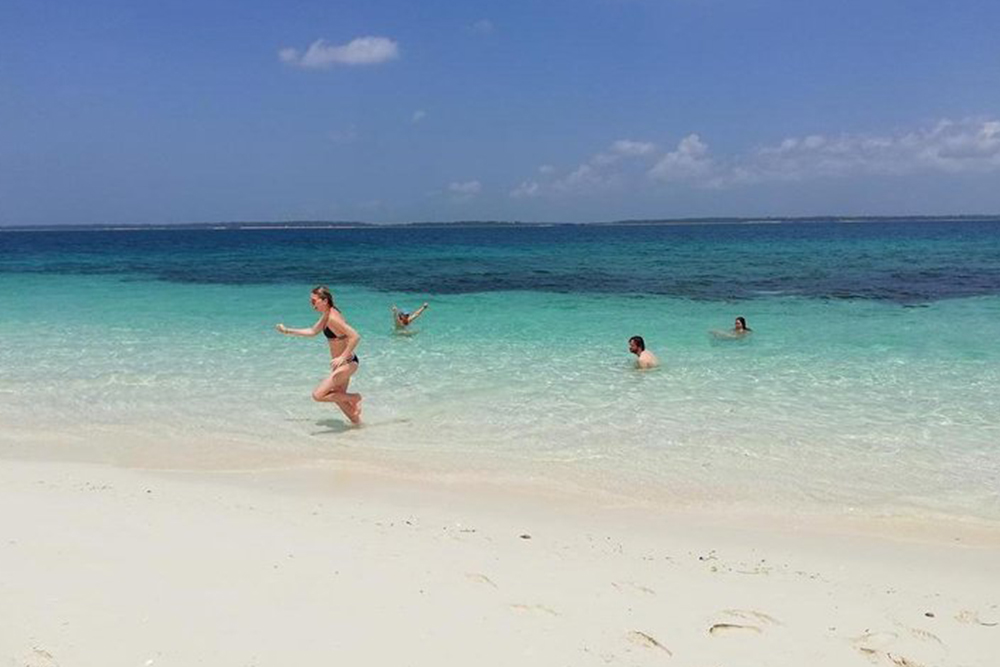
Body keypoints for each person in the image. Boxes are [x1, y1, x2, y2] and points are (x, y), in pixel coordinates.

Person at [276, 286, 363, 425]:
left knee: (318, 395)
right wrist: (287, 331)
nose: (312, 304)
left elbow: (355, 336)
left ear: (325, 300)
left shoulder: (333, 318)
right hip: (341, 364)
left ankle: (355, 397)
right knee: (338, 398)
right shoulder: (327, 315)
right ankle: (358, 427)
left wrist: (342, 357)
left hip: (346, 363)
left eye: (314, 301)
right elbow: (312, 331)